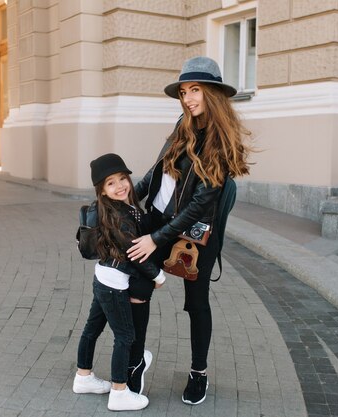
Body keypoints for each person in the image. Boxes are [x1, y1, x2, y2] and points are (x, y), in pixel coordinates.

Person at [126, 56, 252, 405]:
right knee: (138, 284)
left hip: (196, 233)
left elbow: (199, 205)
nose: (188, 98)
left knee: (196, 304)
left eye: (195, 90)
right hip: (158, 220)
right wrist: (129, 200)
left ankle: (199, 372)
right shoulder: (183, 123)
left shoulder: (222, 142)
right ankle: (135, 362)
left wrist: (156, 238)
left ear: (211, 93)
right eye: (184, 91)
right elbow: (157, 171)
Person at [73, 153, 166, 412]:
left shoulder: (117, 209)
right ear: (102, 190)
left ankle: (83, 377)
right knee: (125, 336)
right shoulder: (119, 216)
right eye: (110, 183)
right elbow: (133, 252)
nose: (120, 186)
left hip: (103, 278)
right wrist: (158, 276)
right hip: (114, 283)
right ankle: (119, 392)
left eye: (122, 178)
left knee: (92, 328)